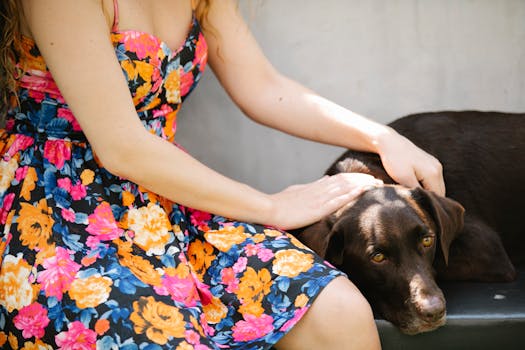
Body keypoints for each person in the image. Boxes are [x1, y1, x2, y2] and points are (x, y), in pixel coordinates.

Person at [0, 0, 444, 349]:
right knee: (152, 333)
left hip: (170, 201)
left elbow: (263, 87)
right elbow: (121, 146)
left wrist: (382, 137)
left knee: (338, 312)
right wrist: (271, 207)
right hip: (54, 211)